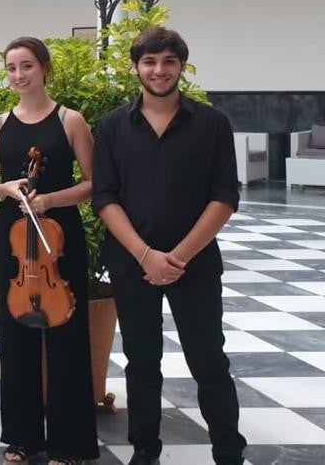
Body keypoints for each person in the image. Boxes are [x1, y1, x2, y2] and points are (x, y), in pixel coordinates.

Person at [92, 27, 245, 465]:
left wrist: (177, 257)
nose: (159, 71)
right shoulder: (114, 126)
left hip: (193, 263)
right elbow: (105, 197)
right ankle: (145, 450)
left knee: (208, 359)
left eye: (168, 62)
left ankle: (229, 451)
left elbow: (225, 196)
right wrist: (145, 255)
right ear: (136, 66)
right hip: (131, 262)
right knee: (141, 360)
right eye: (150, 62)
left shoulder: (212, 124)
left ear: (181, 66)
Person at [0, 37, 99, 465]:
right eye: (11, 68)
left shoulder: (71, 120)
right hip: (14, 235)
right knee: (16, 336)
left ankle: (70, 441)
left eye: (27, 66)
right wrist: (8, 189)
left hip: (58, 234)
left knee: (66, 335)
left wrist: (51, 200)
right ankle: (23, 437)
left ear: (44, 68)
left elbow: (94, 183)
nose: (19, 75)